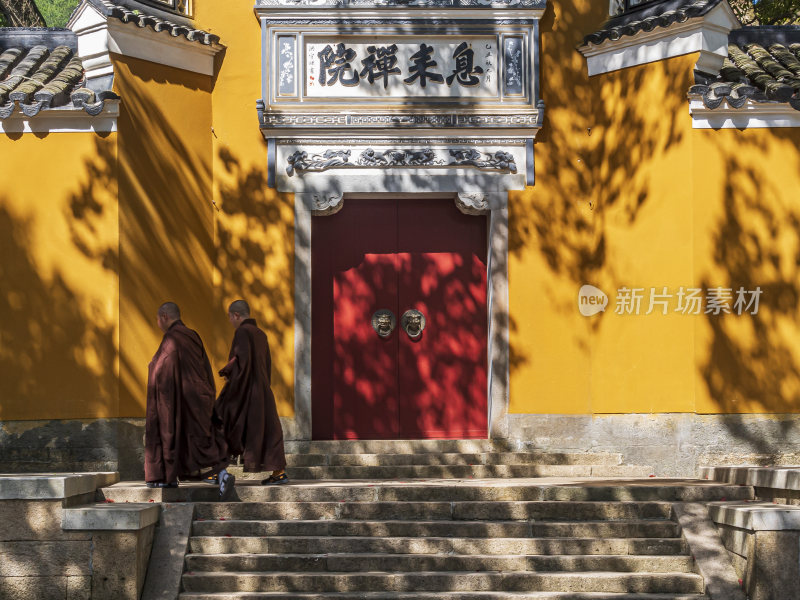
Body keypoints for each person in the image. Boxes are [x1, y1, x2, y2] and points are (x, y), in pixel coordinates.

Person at [145, 302, 236, 499]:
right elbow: (203, 365)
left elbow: (161, 370)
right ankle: (222, 475)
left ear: (164, 317)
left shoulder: (172, 339)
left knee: (177, 438)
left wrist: (152, 369)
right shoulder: (193, 335)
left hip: (182, 400)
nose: (158, 323)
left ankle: (169, 477)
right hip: (200, 396)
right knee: (203, 442)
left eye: (158, 319)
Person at [215, 299, 288, 485]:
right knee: (269, 431)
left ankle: (216, 471)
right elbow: (266, 364)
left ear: (236, 315)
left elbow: (240, 361)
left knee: (220, 420)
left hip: (245, 389)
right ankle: (278, 473)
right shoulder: (261, 334)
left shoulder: (242, 332)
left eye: (230, 317)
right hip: (263, 390)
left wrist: (229, 374)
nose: (230, 321)